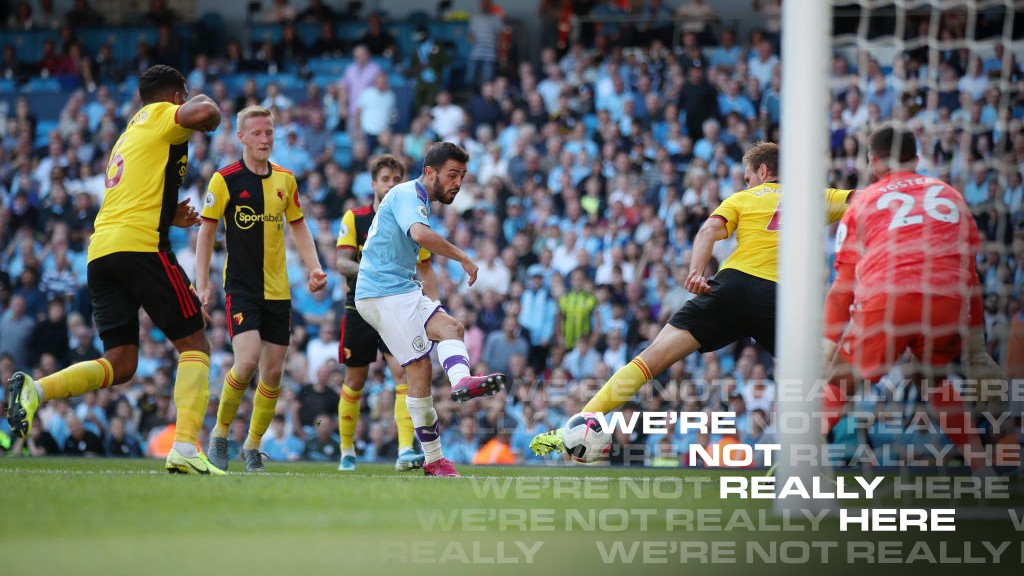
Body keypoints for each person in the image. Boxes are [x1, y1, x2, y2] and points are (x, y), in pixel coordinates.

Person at [530, 141, 854, 455]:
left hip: (731, 287)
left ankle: (578, 424)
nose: (747, 182)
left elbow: (707, 232)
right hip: (779, 299)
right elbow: (864, 201)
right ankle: (810, 448)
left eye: (748, 176)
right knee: (825, 371)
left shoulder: (743, 199)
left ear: (763, 171)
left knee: (649, 360)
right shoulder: (815, 197)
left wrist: (696, 273)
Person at [5, 65, 223, 474]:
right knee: (195, 344)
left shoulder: (129, 132)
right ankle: (186, 449)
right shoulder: (161, 114)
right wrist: (207, 107)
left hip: (102, 252)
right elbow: (204, 115)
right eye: (184, 94)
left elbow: (134, 192)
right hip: (139, 247)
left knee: (121, 364)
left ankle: (36, 390)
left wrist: (167, 213)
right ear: (176, 95)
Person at [821, 123, 998, 474]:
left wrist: (824, 345)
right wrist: (977, 351)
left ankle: (798, 464)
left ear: (873, 162)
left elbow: (844, 285)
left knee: (839, 380)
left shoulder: (865, 200)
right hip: (945, 303)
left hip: (888, 298)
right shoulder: (951, 195)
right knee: (930, 379)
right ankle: (984, 471)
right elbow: (971, 275)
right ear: (916, 159)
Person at [354, 142, 508, 477]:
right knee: (419, 369)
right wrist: (464, 257)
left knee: (451, 329)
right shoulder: (409, 194)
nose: (458, 183)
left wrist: (433, 303)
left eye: (463, 176)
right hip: (380, 293)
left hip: (401, 290)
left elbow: (422, 261)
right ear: (429, 172)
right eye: (453, 174)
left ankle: (462, 382)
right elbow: (421, 236)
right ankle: (434, 457)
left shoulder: (417, 199)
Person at [196, 105, 327, 473]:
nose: (265, 139)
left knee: (272, 374)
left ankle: (252, 446)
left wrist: (314, 267)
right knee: (247, 360)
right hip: (241, 287)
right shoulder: (224, 180)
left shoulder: (285, 180)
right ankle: (220, 433)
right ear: (241, 138)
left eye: (268, 132)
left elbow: (299, 226)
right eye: (256, 133)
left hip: (278, 290)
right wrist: (201, 283)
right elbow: (206, 231)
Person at [335, 154, 437, 472]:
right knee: (355, 379)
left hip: (398, 307)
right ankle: (347, 450)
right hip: (360, 306)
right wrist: (373, 268)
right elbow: (341, 262)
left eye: (396, 179)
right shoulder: (356, 217)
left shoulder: (412, 219)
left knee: (404, 372)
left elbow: (426, 267)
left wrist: (432, 307)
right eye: (385, 179)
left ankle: (405, 448)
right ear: (374, 184)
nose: (391, 184)